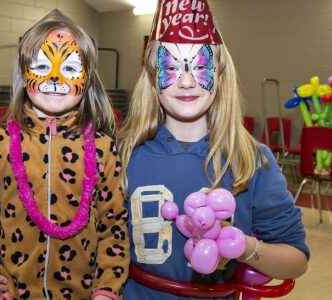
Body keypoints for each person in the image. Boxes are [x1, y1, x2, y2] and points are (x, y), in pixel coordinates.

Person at [117, 0, 309, 298]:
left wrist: (244, 247)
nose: (187, 81)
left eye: (200, 66)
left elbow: (296, 260)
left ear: (219, 75)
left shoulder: (251, 160)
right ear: (153, 78)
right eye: (170, 67)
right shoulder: (124, 154)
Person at [0, 9, 129, 300]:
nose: (55, 78)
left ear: (88, 78)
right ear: (23, 73)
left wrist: (106, 291)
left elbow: (113, 231)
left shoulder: (104, 149)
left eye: (69, 69)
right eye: (42, 66)